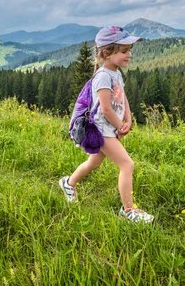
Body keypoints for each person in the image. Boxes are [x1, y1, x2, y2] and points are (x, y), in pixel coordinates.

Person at [59, 26, 154, 223]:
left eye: (129, 50)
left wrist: (128, 118)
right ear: (107, 53)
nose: (129, 55)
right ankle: (128, 211)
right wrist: (120, 125)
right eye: (124, 51)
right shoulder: (103, 76)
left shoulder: (116, 73)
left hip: (110, 128)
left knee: (94, 162)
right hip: (102, 130)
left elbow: (122, 97)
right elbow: (105, 109)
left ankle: (68, 183)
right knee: (127, 165)